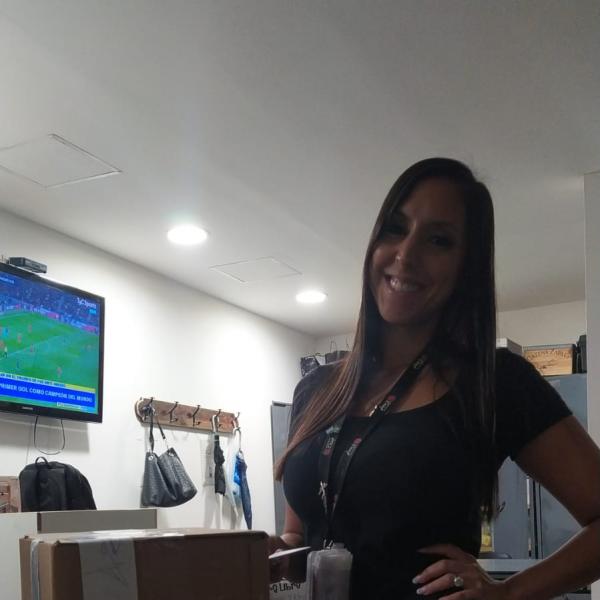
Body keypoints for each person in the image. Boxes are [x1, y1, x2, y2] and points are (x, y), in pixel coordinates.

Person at [271, 158, 600, 599]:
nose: (406, 255)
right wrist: (266, 552)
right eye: (395, 229)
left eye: (438, 240)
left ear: (466, 266)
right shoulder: (315, 389)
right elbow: (300, 537)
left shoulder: (496, 383)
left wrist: (508, 593)